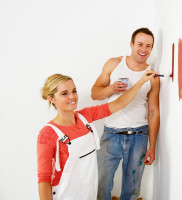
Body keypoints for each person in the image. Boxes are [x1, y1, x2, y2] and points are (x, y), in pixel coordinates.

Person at [37, 71, 155, 200]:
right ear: (51, 98)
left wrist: (142, 81)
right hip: (65, 195)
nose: (72, 96)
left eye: (74, 91)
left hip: (89, 192)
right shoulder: (48, 134)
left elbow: (119, 103)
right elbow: (44, 179)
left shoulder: (85, 116)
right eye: (64, 93)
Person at [91, 27, 160, 200]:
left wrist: (152, 145)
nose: (143, 49)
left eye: (148, 46)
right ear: (131, 44)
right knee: (101, 186)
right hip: (111, 134)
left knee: (132, 191)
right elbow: (94, 93)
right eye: (140, 44)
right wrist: (111, 88)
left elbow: (153, 112)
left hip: (139, 136)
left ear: (152, 48)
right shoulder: (114, 64)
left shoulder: (152, 76)